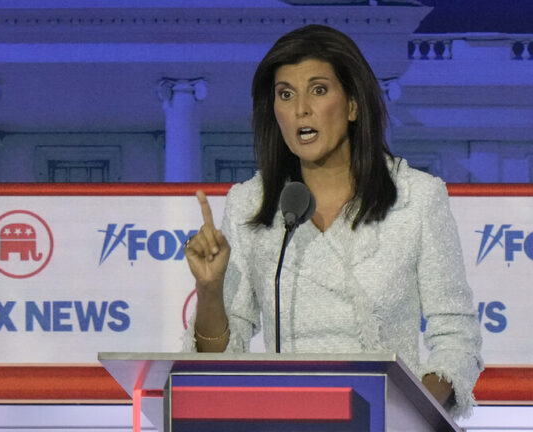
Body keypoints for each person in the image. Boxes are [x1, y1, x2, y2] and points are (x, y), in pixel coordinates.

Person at [182, 24, 483, 418]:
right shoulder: (249, 205)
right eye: (285, 94)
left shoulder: (417, 198)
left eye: (319, 90)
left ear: (353, 105)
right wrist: (208, 289)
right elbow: (221, 356)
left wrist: (403, 414)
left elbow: (457, 339)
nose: (301, 109)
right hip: (286, 421)